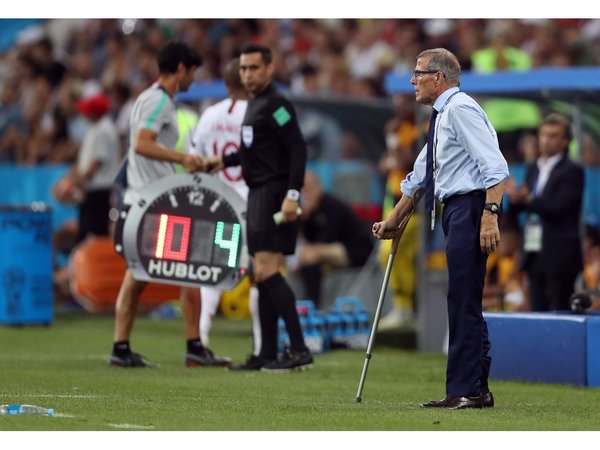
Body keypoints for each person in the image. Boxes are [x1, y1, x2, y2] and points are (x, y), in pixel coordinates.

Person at [372, 48, 509, 409]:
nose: (412, 81)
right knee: (463, 298)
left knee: (463, 299)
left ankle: (466, 389)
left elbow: (496, 168)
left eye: (418, 73)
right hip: (456, 210)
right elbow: (420, 175)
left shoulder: (460, 109)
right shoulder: (442, 114)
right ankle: (474, 388)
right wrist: (395, 218)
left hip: (470, 208)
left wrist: (489, 215)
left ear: (439, 77)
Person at [109, 41, 229, 369]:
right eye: (192, 72)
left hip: (144, 200)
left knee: (139, 275)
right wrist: (182, 157)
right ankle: (193, 347)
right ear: (180, 69)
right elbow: (142, 144)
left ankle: (122, 348)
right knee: (188, 269)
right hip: (153, 204)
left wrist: (190, 164)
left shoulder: (149, 98)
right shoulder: (159, 101)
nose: (194, 79)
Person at [205, 44, 313, 372]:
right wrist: (222, 160)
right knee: (259, 274)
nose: (248, 74)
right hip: (258, 194)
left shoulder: (278, 105)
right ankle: (266, 353)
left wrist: (293, 194)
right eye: (244, 69)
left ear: (269, 68)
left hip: (273, 193)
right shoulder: (256, 105)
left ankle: (299, 350)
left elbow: (298, 148)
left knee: (267, 271)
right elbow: (254, 152)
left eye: (254, 68)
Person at [186, 57, 262, 360]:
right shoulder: (257, 113)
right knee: (260, 272)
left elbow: (196, 159)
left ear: (225, 84)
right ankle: (261, 344)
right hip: (253, 203)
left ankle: (200, 338)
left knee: (213, 270)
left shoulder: (209, 115)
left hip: (219, 204)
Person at [506, 113, 584, 311]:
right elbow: (526, 207)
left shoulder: (572, 170)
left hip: (559, 255)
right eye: (543, 135)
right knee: (537, 310)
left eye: (553, 135)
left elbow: (559, 208)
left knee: (559, 309)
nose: (546, 140)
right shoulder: (533, 168)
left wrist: (528, 198)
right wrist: (515, 198)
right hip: (533, 252)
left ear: (565, 141)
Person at [296, 170, 374, 308]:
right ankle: (310, 301)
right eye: (304, 191)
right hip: (333, 250)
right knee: (307, 256)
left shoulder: (332, 205)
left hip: (357, 251)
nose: (307, 194)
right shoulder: (309, 213)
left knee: (311, 254)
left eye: (310, 189)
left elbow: (326, 238)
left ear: (318, 186)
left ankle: (316, 304)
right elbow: (308, 240)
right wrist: (305, 219)